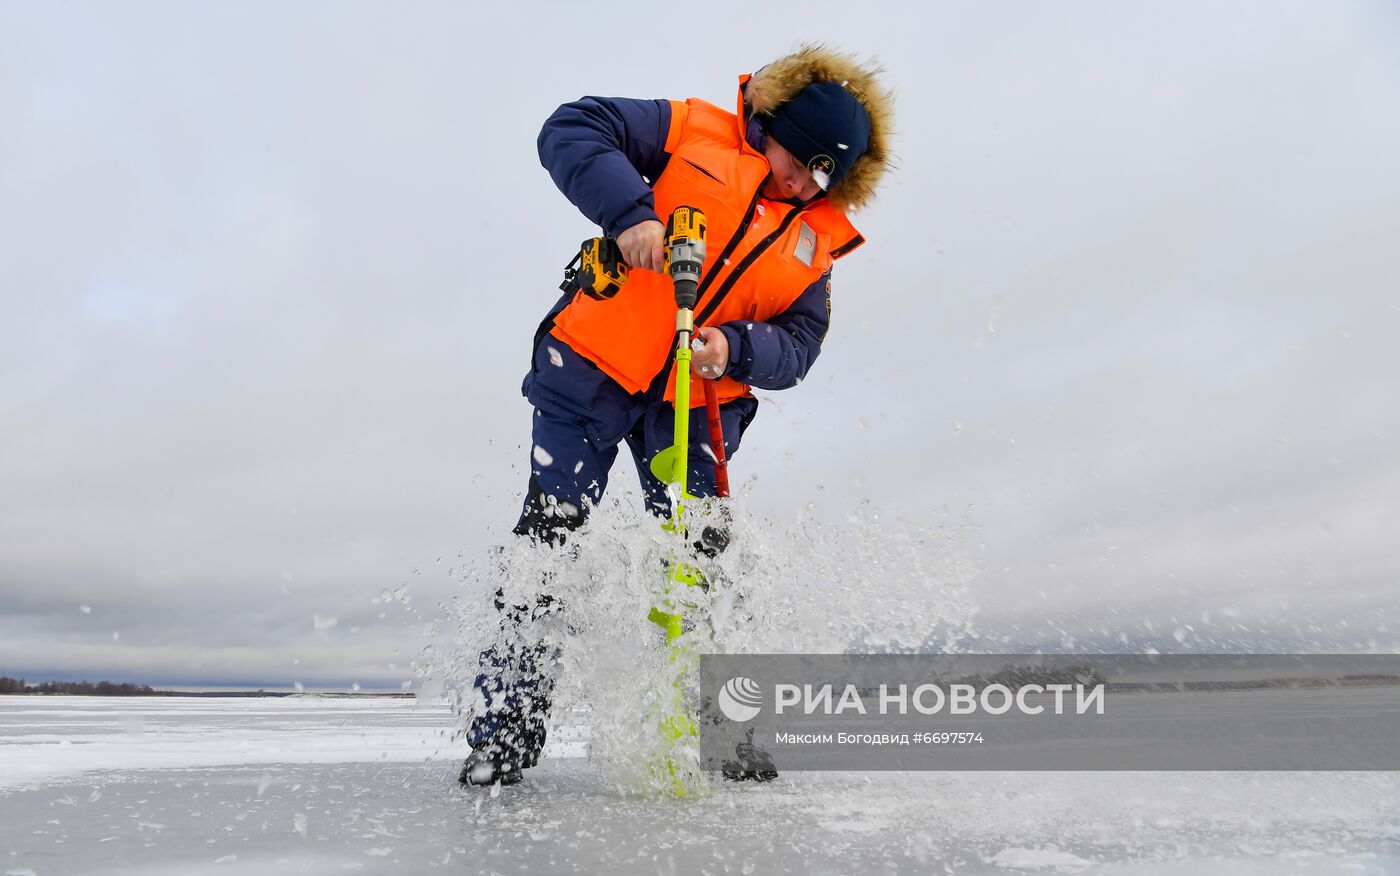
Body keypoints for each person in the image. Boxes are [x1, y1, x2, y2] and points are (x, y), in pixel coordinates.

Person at [460, 44, 893, 787]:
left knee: (704, 562)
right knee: (547, 543)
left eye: (824, 172)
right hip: (591, 372)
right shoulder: (688, 130)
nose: (803, 179)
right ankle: (503, 739)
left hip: (695, 408)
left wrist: (738, 347)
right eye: (801, 157)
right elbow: (572, 128)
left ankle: (731, 736)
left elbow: (802, 341)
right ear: (774, 121)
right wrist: (631, 213)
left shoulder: (815, 240)